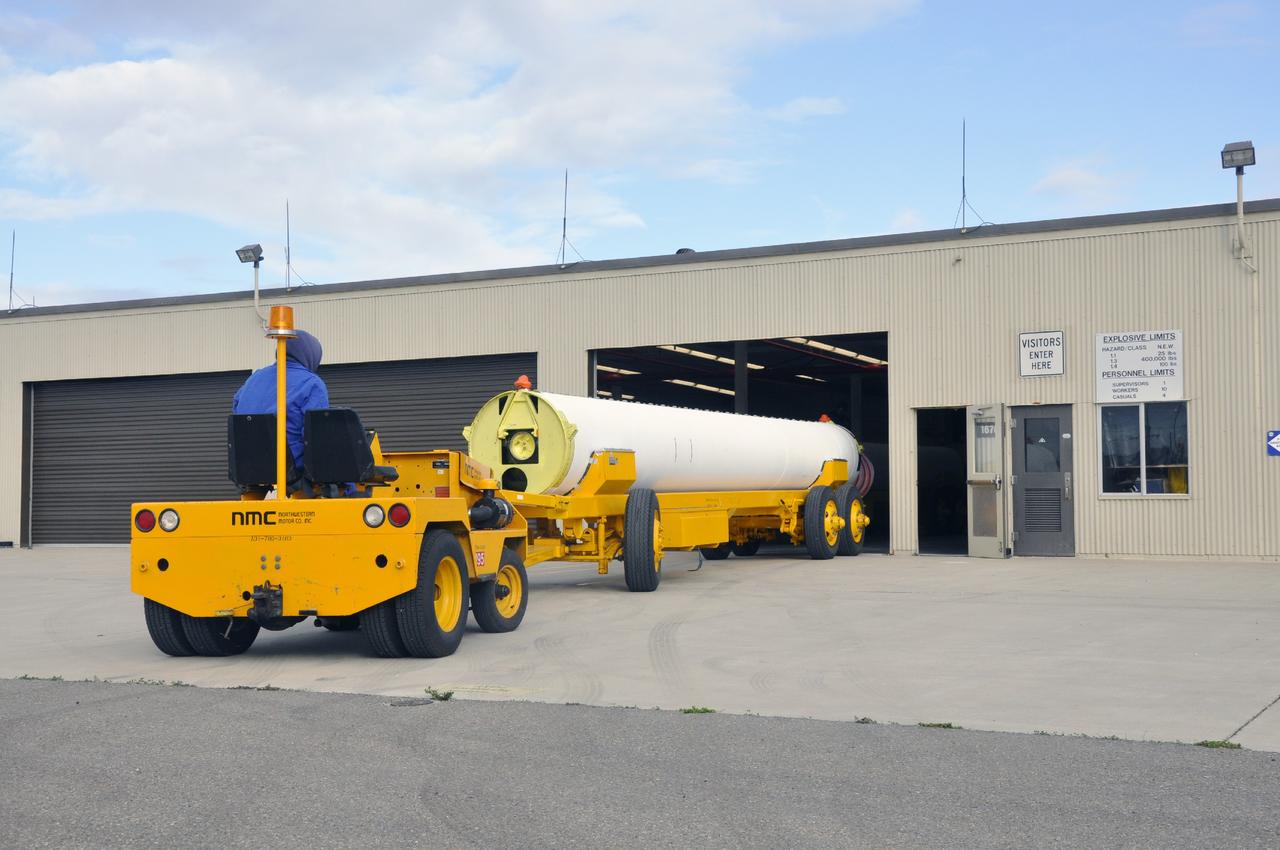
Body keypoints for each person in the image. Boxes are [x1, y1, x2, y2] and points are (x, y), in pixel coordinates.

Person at [232, 329, 329, 476]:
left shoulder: (253, 379)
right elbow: (317, 437)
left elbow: (237, 415)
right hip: (292, 466)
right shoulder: (312, 383)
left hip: (247, 466)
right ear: (311, 355)